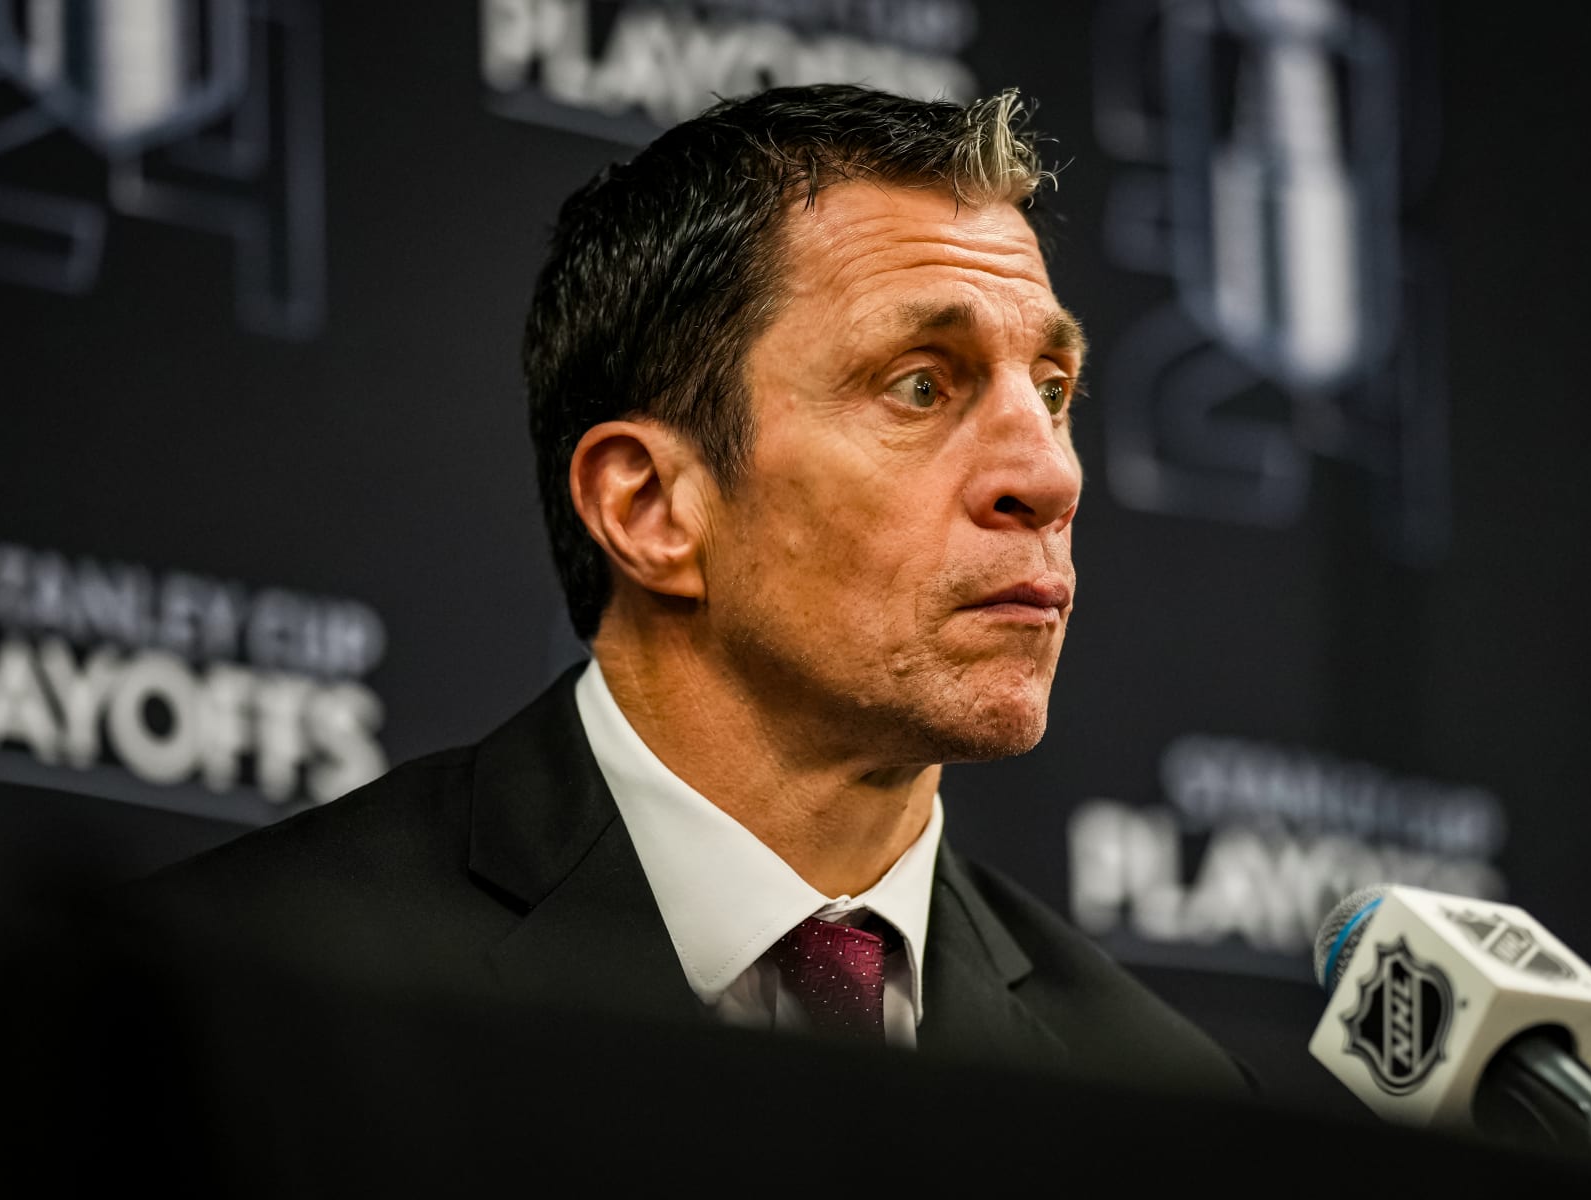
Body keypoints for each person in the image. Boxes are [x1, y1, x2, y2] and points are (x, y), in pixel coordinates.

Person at [130, 83, 1246, 1097]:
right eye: (921, 383)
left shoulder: (1162, 1097)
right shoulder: (235, 992)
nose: (1049, 476)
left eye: (1053, 390)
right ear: (651, 509)